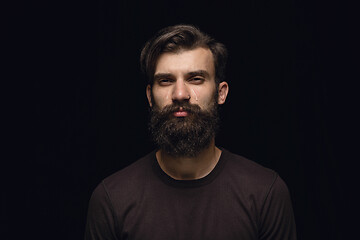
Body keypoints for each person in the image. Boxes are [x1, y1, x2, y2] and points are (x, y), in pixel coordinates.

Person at [84, 24, 297, 240]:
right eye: (166, 81)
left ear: (221, 93)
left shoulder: (265, 193)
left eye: (195, 79)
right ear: (150, 96)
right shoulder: (112, 199)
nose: (180, 94)